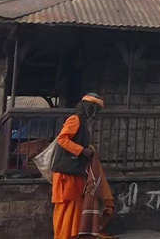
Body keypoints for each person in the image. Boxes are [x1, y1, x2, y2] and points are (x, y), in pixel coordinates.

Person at [51, 93, 105, 239]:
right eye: (95, 109)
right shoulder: (75, 119)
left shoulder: (83, 123)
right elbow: (62, 139)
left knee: (75, 207)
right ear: (89, 107)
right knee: (66, 207)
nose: (96, 113)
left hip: (74, 172)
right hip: (66, 173)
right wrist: (82, 150)